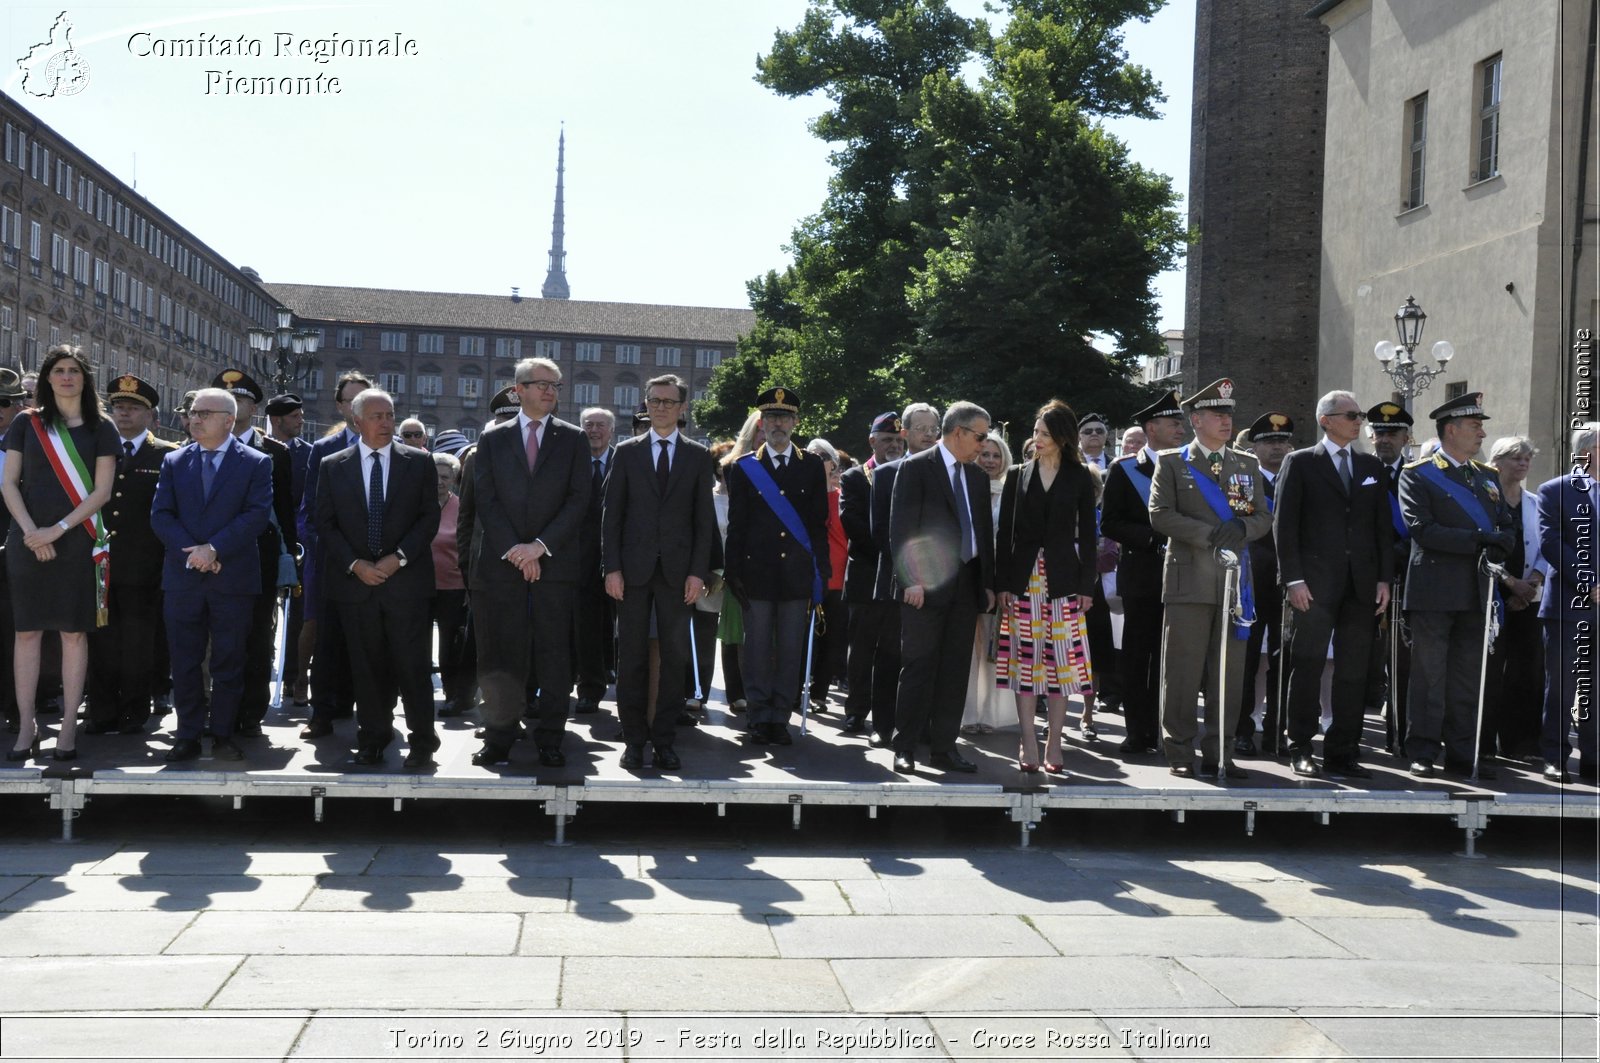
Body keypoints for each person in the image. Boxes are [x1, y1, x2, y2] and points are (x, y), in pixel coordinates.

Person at [468, 358, 590, 768]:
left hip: (554, 567)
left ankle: (551, 737)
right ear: (518, 389)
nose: (551, 392)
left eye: (556, 386)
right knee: (503, 655)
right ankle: (499, 737)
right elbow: (485, 499)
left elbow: (579, 500)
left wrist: (539, 546)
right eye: (542, 385)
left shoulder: (573, 439)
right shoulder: (492, 439)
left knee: (554, 656)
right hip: (503, 567)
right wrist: (517, 551)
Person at [1148, 379, 1271, 780]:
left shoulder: (1246, 464)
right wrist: (1210, 535)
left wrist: (1242, 527)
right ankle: (1179, 749)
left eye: (1229, 415)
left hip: (1235, 584)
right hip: (1189, 580)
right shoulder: (1172, 462)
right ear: (1196, 419)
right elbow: (1160, 514)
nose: (1226, 421)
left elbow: (1264, 518)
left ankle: (1221, 751)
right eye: (1218, 415)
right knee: (1181, 671)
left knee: (1230, 672)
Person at [2, 346, 117, 761]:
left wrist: (58, 529)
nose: (66, 377)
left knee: (72, 633)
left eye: (74, 370)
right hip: (28, 541)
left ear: (84, 378)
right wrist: (33, 531)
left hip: (77, 540)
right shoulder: (26, 425)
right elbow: (9, 483)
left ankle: (68, 725)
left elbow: (101, 492)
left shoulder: (102, 428)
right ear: (47, 378)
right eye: (58, 370)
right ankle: (27, 723)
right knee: (26, 633)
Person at [315, 389, 441, 769]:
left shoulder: (418, 462)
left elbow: (428, 519)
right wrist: (356, 565)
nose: (386, 422)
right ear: (357, 422)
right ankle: (372, 739)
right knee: (366, 670)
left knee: (412, 667)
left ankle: (422, 742)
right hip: (357, 587)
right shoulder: (333, 465)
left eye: (389, 415)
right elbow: (325, 523)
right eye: (376, 416)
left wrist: (397, 559)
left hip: (406, 585)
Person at [1273, 392, 1393, 779]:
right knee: (1307, 665)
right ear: (1326, 420)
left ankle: (1344, 750)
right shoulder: (1301, 462)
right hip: (1312, 585)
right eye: (1351, 415)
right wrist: (1293, 579)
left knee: (1354, 671)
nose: (1359, 421)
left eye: (1360, 415)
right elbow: (1284, 526)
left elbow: (1381, 528)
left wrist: (1383, 579)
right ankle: (1301, 746)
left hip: (1361, 586)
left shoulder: (1370, 464)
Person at [150, 387, 273, 762]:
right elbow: (161, 515)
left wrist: (214, 549)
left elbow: (255, 515)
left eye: (203, 412)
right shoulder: (175, 460)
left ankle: (222, 733)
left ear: (228, 420)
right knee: (185, 659)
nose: (194, 418)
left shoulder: (255, 462)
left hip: (232, 577)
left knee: (229, 659)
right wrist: (196, 552)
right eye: (192, 412)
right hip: (184, 576)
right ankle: (186, 734)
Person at [1398, 391, 1515, 779]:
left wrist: (1503, 544)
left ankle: (1464, 753)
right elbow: (1422, 530)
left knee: (1469, 675)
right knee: (1429, 675)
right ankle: (1423, 751)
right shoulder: (1418, 473)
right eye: (1474, 425)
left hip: (1477, 588)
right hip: (1434, 589)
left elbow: (1505, 525)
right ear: (1451, 430)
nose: (1482, 432)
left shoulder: (1488, 476)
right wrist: (1482, 541)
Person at [602, 374, 716, 771]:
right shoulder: (626, 452)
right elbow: (611, 516)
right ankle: (634, 741)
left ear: (683, 408)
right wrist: (611, 568)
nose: (662, 407)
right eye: (655, 400)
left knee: (673, 661)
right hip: (630, 573)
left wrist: (698, 573)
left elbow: (705, 523)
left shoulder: (698, 457)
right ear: (645, 405)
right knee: (630, 658)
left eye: (669, 401)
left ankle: (665, 741)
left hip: (678, 574)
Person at [889, 401, 996, 774]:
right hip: (925, 588)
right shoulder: (917, 468)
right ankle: (904, 746)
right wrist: (911, 581)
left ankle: (943, 749)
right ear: (959, 432)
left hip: (966, 588)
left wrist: (989, 584)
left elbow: (983, 535)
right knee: (918, 666)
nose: (984, 444)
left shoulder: (978, 477)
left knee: (954, 671)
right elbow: (903, 529)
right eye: (980, 436)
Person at [994, 401, 1097, 774]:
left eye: (1045, 434)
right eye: (1036, 431)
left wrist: (1088, 586)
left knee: (1061, 665)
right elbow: (1005, 535)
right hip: (1023, 581)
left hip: (1064, 581)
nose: (1037, 439)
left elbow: (1089, 536)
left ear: (1062, 439)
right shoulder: (1018, 474)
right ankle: (1027, 739)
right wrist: (1003, 584)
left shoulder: (1080, 476)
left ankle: (1054, 740)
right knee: (1025, 663)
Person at [724, 387, 830, 747]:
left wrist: (822, 571)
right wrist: (733, 572)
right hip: (756, 573)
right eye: (771, 418)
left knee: (789, 649)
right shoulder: (744, 468)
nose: (777, 424)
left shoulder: (812, 465)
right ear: (761, 423)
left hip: (797, 574)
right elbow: (737, 526)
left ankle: (780, 717)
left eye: (784, 418)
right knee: (755, 650)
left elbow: (819, 525)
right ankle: (758, 716)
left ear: (796, 422)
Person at [85, 375, 178, 736]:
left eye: (133, 407)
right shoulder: (96, 449)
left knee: (139, 643)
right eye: (118, 406)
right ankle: (101, 710)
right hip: (99, 565)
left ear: (150, 414)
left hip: (146, 567)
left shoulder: (167, 455)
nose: (124, 413)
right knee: (101, 640)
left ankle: (133, 712)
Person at [1100, 389, 1186, 759]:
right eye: (1172, 423)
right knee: (1138, 657)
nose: (1180, 428)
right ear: (1152, 428)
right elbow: (1111, 522)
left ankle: (1171, 733)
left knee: (1176, 658)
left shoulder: (1189, 465)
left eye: (1180, 422)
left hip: (1185, 576)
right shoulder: (1124, 469)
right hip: (1143, 575)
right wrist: (1153, 540)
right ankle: (1138, 732)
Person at [213, 370, 295, 736]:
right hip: (209, 556)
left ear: (254, 407)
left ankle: (250, 711)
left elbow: (286, 512)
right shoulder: (199, 445)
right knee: (210, 637)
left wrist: (288, 561)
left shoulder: (275, 452)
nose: (233, 405)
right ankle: (212, 709)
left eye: (241, 399)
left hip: (257, 558)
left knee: (256, 635)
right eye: (224, 398)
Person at [297, 372, 372, 739]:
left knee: (371, 643)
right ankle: (323, 711)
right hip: (332, 562)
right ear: (340, 407)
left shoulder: (398, 452)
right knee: (327, 642)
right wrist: (333, 553)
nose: (359, 408)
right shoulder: (322, 451)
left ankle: (373, 715)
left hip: (379, 567)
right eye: (351, 401)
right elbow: (309, 510)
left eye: (366, 400)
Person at [865, 402, 941, 747]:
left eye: (933, 429)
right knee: (891, 656)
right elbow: (881, 533)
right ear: (905, 433)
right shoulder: (885, 474)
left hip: (937, 582)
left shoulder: (947, 472)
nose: (928, 436)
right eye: (920, 429)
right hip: (895, 582)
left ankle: (920, 725)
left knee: (925, 658)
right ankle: (883, 726)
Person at [1536, 422, 1600, 782]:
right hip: (1568, 605)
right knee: (1562, 686)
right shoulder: (1555, 491)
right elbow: (1551, 543)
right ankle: (1555, 758)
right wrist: (1590, 583)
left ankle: (1593, 759)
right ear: (1590, 449)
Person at [840, 412, 907, 736]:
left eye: (897, 440)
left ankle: (886, 713)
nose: (893, 445)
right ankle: (855, 711)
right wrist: (887, 548)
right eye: (886, 440)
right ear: (872, 441)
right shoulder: (855, 477)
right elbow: (851, 522)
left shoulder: (909, 474)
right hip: (866, 573)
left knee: (892, 649)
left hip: (897, 577)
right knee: (861, 650)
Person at [1483, 435, 1547, 763]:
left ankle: (1522, 742)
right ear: (1497, 462)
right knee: (1490, 671)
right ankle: (1485, 741)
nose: (1522, 464)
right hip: (1490, 597)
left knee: (1528, 669)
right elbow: (1481, 548)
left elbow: (1546, 548)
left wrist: (1530, 585)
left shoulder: (1536, 503)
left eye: (1526, 459)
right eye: (1515, 458)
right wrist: (1510, 583)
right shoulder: (1484, 500)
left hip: (1529, 599)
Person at [1232, 412, 1293, 756]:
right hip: (1251, 580)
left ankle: (1277, 730)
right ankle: (1242, 729)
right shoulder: (1242, 480)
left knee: (1284, 660)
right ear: (1254, 447)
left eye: (1283, 441)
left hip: (1288, 582)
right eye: (1269, 442)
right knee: (1247, 660)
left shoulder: (1299, 476)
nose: (1277, 448)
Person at [1365, 401, 1416, 752]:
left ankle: (1400, 732)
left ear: (1406, 437)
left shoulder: (1417, 474)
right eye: (1379, 433)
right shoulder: (1358, 471)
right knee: (1362, 656)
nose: (1385, 440)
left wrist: (1398, 555)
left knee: (1404, 658)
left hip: (1408, 574)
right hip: (1365, 574)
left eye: (1392, 433)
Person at [962, 430, 1014, 735]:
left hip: (1000, 580)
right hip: (969, 578)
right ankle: (967, 713)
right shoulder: (965, 488)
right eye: (985, 454)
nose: (991, 461)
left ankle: (990, 714)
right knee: (969, 650)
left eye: (996, 455)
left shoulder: (1012, 491)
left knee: (995, 649)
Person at [266, 392, 312, 705]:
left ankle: (294, 676)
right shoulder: (261, 448)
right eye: (295, 417)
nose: (301, 421)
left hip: (299, 541)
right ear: (277, 419)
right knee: (264, 612)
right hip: (266, 538)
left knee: (298, 612)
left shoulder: (310, 453)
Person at [574, 407, 616, 716]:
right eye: (589, 425)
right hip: (576, 559)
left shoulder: (625, 459)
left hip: (618, 558)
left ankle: (624, 685)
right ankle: (588, 688)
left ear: (611, 431)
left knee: (622, 628)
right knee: (584, 626)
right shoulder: (570, 461)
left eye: (601, 425)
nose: (594, 430)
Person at [430, 450, 475, 718]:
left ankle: (452, 694)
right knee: (415, 643)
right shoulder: (417, 504)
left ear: (454, 479)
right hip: (420, 585)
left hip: (454, 585)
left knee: (450, 644)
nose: (440, 482)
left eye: (445, 477)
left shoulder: (461, 507)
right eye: (435, 476)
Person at [805, 438, 848, 712]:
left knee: (831, 638)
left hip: (836, 576)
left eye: (822, 457)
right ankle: (799, 686)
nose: (817, 460)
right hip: (805, 575)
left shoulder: (843, 497)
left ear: (833, 463)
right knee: (802, 638)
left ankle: (819, 693)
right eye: (811, 456)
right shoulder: (799, 497)